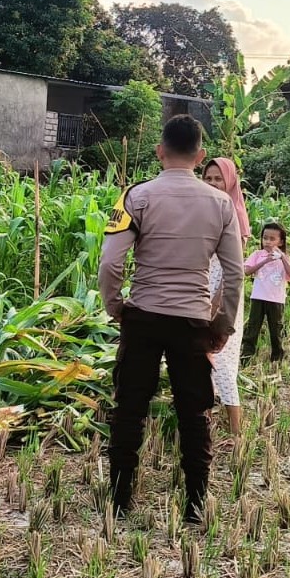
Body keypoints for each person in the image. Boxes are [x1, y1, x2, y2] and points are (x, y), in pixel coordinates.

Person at [98, 115, 244, 522]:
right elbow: (233, 275)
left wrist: (117, 307)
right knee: (194, 412)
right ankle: (195, 505)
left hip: (143, 316)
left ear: (160, 151)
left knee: (130, 407)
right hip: (193, 322)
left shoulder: (135, 196)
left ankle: (120, 500)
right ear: (200, 156)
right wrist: (223, 325)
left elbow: (110, 262)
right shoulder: (221, 204)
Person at [203, 157, 250, 436]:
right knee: (202, 363)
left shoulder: (234, 215)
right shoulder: (201, 211)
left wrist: (217, 305)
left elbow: (234, 270)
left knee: (222, 364)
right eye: (207, 178)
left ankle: (236, 431)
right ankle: (205, 421)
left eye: (218, 179)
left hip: (223, 300)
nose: (212, 184)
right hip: (201, 294)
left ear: (230, 182)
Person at [240, 222, 290, 363]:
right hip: (258, 297)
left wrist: (282, 257)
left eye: (272, 239)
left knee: (276, 329)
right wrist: (264, 262)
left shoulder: (284, 258)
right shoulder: (257, 254)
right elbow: (247, 271)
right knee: (252, 328)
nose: (268, 242)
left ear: (281, 241)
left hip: (276, 300)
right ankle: (246, 356)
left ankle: (277, 358)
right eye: (265, 238)